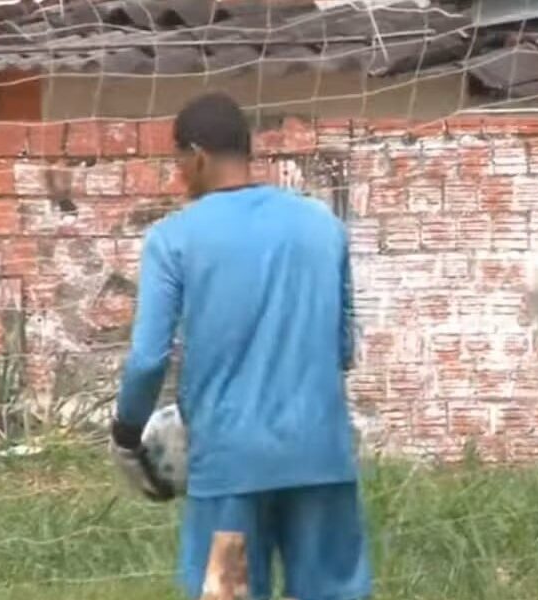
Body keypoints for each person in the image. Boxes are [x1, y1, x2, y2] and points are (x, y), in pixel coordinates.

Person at [108, 92, 372, 600]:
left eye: (178, 162)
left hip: (230, 470)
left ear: (198, 156)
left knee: (228, 592)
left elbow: (147, 358)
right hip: (321, 459)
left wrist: (127, 432)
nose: (178, 176)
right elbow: (342, 347)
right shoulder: (322, 225)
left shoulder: (174, 239)